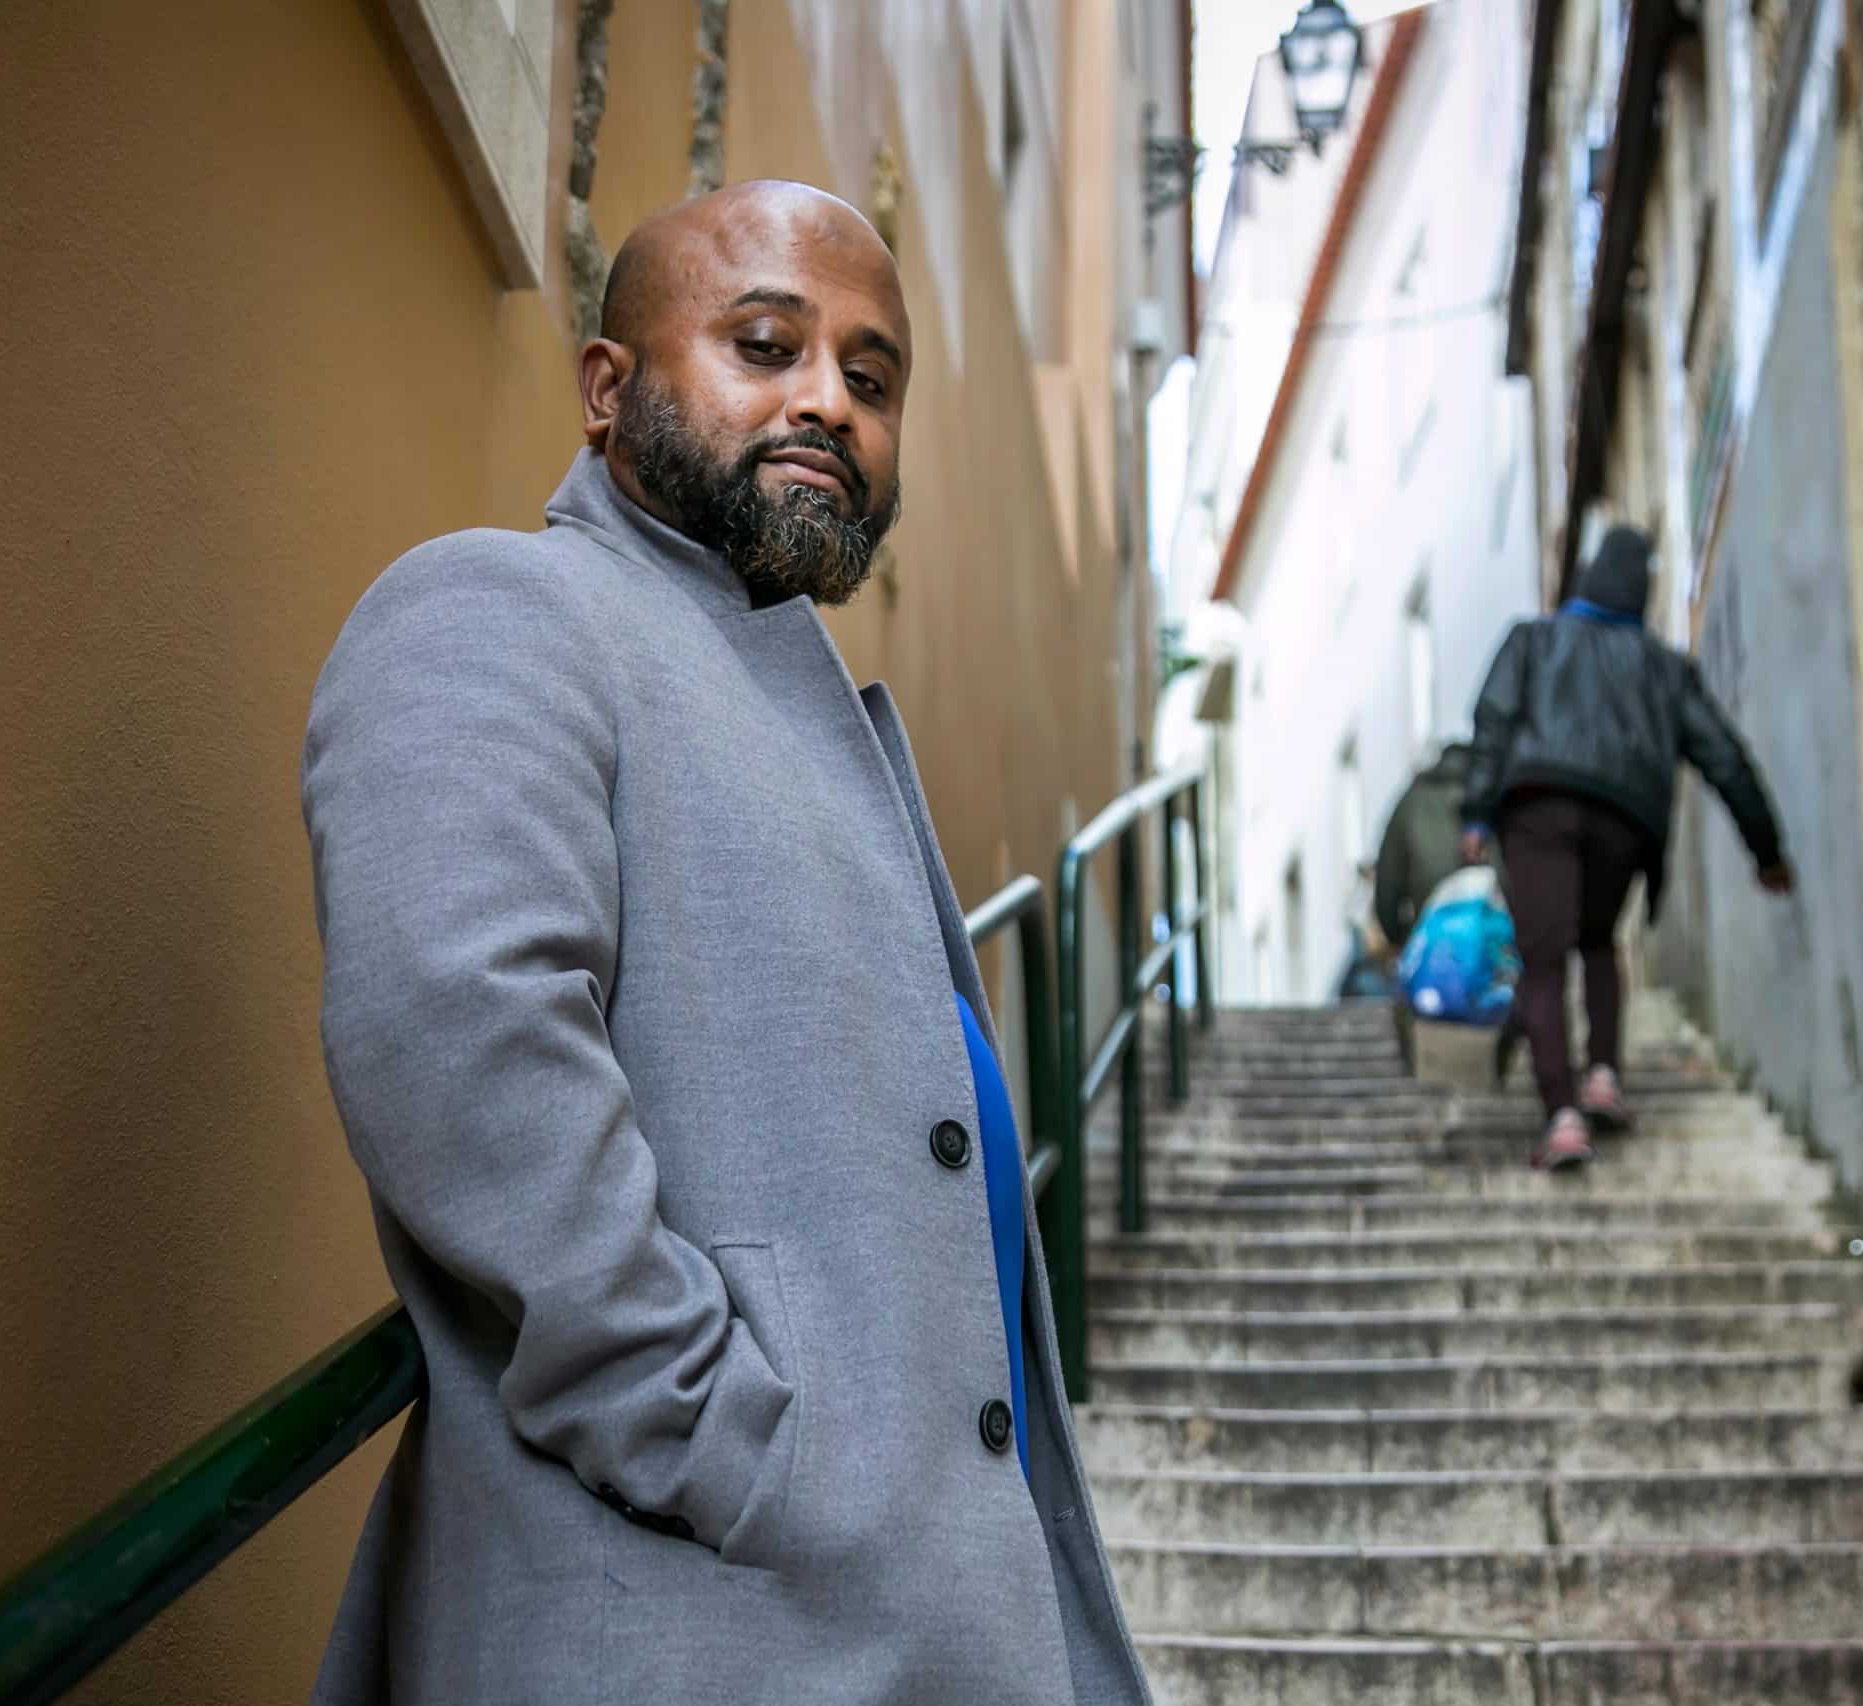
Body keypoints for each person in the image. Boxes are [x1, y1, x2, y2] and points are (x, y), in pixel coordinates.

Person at [300, 182, 1147, 1706]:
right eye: (766, 344)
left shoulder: (794, 715)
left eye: (871, 377)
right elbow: (462, 1042)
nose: (828, 396)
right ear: (607, 390)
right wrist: (747, 1452)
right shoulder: (506, 610)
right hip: (696, 1632)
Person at [1459, 525, 1792, 1169]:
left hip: (1540, 806)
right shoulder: (1664, 669)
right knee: (1598, 941)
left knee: (1543, 961)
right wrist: (1766, 849)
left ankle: (1562, 1118)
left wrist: (1476, 814)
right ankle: (1603, 1075)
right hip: (1624, 818)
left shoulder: (1532, 640)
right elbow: (1722, 754)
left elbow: (1492, 719)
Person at [1372, 740, 1473, 955]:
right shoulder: (1490, 794)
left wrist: (1397, 937)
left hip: (1430, 917)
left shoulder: (1412, 800)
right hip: (1491, 912)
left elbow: (1388, 878)